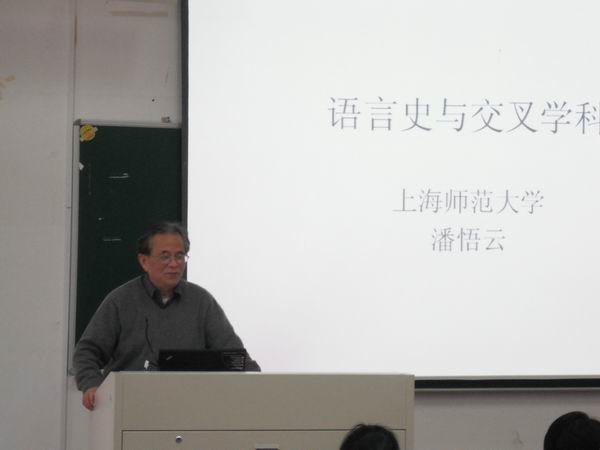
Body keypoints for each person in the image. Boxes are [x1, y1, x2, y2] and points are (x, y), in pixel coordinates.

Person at [73, 222, 259, 411]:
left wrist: (257, 383)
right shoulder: (120, 301)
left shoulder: (201, 302)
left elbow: (233, 356)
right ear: (144, 261)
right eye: (165, 257)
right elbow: (87, 351)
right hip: (129, 406)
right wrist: (91, 384)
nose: (174, 264)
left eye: (180, 256)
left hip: (190, 406)